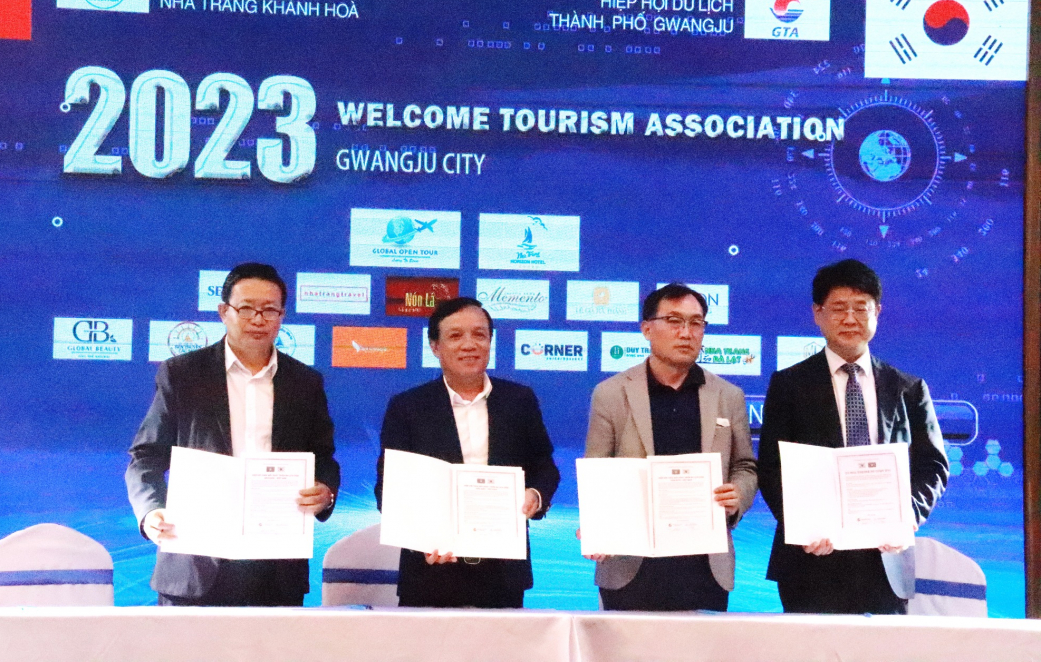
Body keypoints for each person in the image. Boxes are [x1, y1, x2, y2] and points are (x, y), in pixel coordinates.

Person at [126, 262, 340, 606]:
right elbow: (145, 456)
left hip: (275, 566)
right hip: (194, 562)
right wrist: (151, 511)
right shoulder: (183, 374)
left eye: (269, 310)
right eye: (246, 308)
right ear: (224, 312)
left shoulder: (305, 382)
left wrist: (325, 492)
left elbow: (323, 457)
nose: (258, 319)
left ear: (282, 316)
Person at [757, 259, 949, 614]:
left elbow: (933, 466)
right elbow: (771, 469)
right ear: (818, 314)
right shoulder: (789, 386)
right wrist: (802, 525)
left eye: (861, 308)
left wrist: (907, 516)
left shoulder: (908, 388)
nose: (850, 319)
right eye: (838, 308)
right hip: (811, 561)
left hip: (886, 560)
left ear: (877, 313)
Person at [375, 297, 560, 608]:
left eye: (479, 334)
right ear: (435, 346)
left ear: (490, 341)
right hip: (431, 571)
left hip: (503, 572)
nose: (470, 345)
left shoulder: (519, 401)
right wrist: (421, 536)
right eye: (455, 335)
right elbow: (388, 491)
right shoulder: (408, 407)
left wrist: (536, 495)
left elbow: (545, 466)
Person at [583, 283, 757, 611]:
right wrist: (599, 527)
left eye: (696, 323)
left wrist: (738, 494)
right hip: (630, 564)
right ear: (647, 329)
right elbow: (598, 470)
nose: (686, 333)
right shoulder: (611, 393)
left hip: (704, 565)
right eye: (674, 321)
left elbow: (745, 466)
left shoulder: (728, 395)